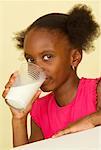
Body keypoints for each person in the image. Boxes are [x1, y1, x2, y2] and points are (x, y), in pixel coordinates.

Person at [2, 4, 101, 147]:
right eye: (31, 60)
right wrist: (19, 119)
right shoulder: (39, 110)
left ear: (74, 57)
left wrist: (90, 120)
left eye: (47, 57)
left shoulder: (96, 90)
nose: (37, 68)